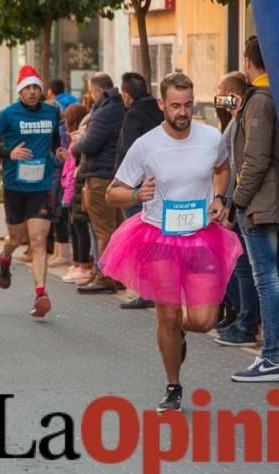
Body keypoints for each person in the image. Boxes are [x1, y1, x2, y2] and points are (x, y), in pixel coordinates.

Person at [100, 72, 241, 412]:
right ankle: (173, 384)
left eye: (188, 105)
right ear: (162, 104)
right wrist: (136, 192)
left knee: (205, 319)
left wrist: (220, 197)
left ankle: (177, 333)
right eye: (175, 106)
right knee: (166, 313)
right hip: (159, 236)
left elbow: (223, 168)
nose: (182, 112)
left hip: (201, 236)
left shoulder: (211, 137)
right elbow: (111, 193)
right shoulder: (146, 145)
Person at [230, 36, 279, 382]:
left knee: (267, 279)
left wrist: (237, 201)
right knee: (278, 278)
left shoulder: (259, 100)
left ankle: (273, 356)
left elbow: (255, 159)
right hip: (276, 199)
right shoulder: (278, 95)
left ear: (248, 61)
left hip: (260, 203)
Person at [0, 65, 66, 319]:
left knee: (39, 241)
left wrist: (58, 152)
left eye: (35, 88)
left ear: (41, 90)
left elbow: (54, 142)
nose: (31, 92)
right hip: (14, 186)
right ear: (20, 91)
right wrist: (10, 153)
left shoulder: (52, 113)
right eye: (27, 88)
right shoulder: (8, 114)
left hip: (41, 186)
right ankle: (5, 258)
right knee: (16, 240)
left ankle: (41, 293)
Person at [214, 71, 261, 347]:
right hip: (234, 200)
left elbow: (238, 165)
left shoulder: (241, 121)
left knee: (244, 267)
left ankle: (246, 322)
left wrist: (231, 204)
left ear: (232, 94)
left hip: (238, 200)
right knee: (238, 265)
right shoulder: (233, 121)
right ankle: (239, 317)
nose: (217, 97)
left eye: (220, 92)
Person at [73, 73, 126, 294]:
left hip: (100, 176)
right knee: (113, 228)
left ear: (96, 90)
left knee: (103, 229)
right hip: (115, 175)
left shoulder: (104, 113)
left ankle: (105, 275)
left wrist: (79, 140)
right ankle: (114, 274)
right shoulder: (120, 107)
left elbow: (90, 146)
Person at [116, 71, 165, 309]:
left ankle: (148, 291)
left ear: (126, 95)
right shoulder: (159, 111)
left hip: (139, 188)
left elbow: (129, 153)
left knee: (141, 242)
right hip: (162, 184)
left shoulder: (133, 116)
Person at [60, 104, 93, 285]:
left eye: (67, 119)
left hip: (76, 189)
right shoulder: (74, 139)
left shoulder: (80, 138)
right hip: (70, 187)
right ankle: (77, 263)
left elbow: (78, 163)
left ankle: (83, 265)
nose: (65, 123)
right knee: (74, 228)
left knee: (80, 228)